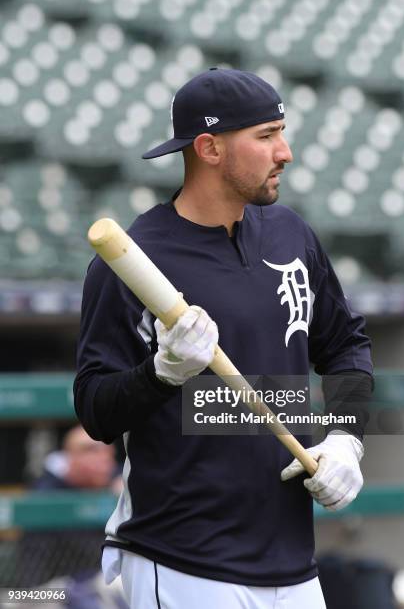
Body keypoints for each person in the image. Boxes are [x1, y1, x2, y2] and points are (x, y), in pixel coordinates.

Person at [74, 68, 373, 608]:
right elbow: (95, 408)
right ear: (209, 148)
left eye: (282, 132)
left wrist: (346, 438)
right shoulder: (136, 259)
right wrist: (162, 374)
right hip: (183, 561)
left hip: (295, 564)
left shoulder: (292, 233)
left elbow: (348, 345)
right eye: (266, 136)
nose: (285, 152)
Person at [34, 424, 122, 493]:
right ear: (71, 456)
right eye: (93, 451)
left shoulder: (123, 476)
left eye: (108, 452)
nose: (104, 458)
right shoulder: (48, 489)